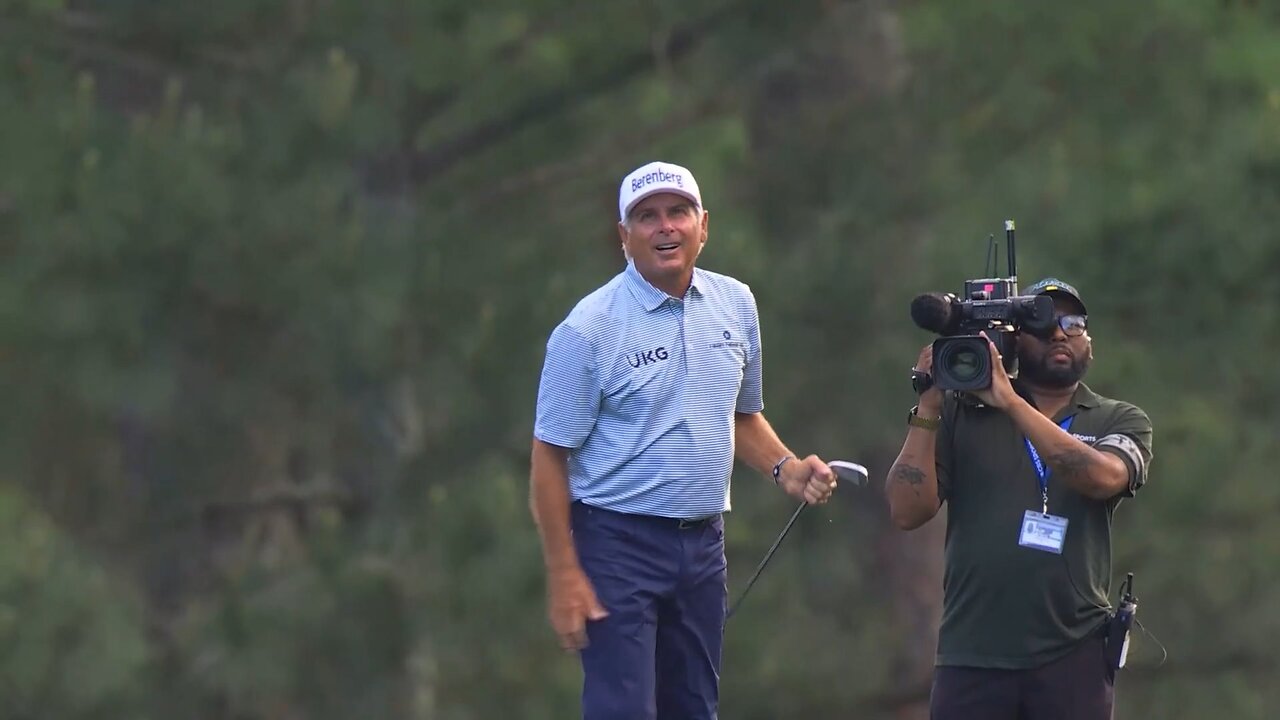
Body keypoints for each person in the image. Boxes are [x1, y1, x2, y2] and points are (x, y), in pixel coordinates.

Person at [529, 161, 837, 720]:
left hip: (702, 545)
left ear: (703, 226)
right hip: (615, 543)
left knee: (694, 709)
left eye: (678, 212)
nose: (664, 227)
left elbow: (741, 416)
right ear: (624, 237)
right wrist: (563, 572)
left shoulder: (736, 304)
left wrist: (787, 469)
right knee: (623, 711)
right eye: (646, 217)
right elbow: (549, 458)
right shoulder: (587, 328)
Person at [884, 278, 1154, 720]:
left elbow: (1105, 477)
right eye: (1042, 323)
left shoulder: (1118, 418)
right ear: (1008, 341)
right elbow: (905, 511)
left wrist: (1010, 402)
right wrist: (929, 406)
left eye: (1073, 322)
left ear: (1090, 340)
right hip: (972, 653)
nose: (1060, 332)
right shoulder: (962, 413)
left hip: (1073, 652)